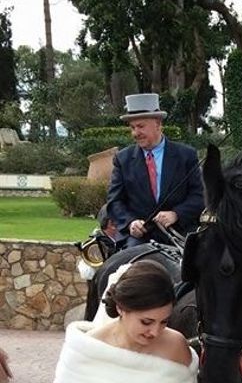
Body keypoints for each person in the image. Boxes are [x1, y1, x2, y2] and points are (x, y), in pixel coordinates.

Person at [54, 260, 197, 383]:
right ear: (121, 308)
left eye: (164, 322)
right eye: (146, 322)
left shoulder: (176, 346)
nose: (155, 332)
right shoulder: (84, 351)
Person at [106, 93, 204, 248]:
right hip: (139, 239)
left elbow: (200, 196)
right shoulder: (122, 160)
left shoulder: (186, 155)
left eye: (140, 126)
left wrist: (176, 214)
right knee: (127, 269)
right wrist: (131, 222)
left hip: (180, 233)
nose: (135, 133)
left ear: (158, 124)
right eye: (132, 128)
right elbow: (114, 202)